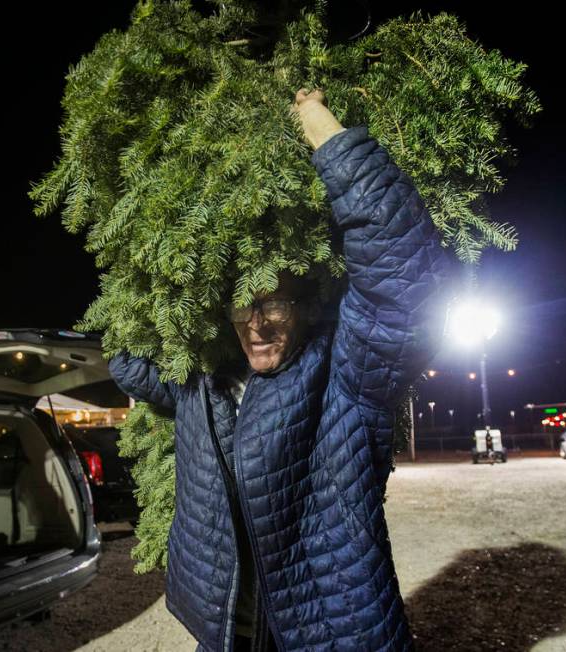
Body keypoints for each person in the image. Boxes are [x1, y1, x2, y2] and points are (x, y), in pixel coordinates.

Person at [109, 88, 458, 651]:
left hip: (329, 634)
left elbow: (406, 293)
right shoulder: (204, 381)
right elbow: (128, 361)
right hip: (228, 633)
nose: (256, 324)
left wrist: (332, 140)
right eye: (243, 304)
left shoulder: (345, 379)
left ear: (310, 304)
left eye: (274, 304)